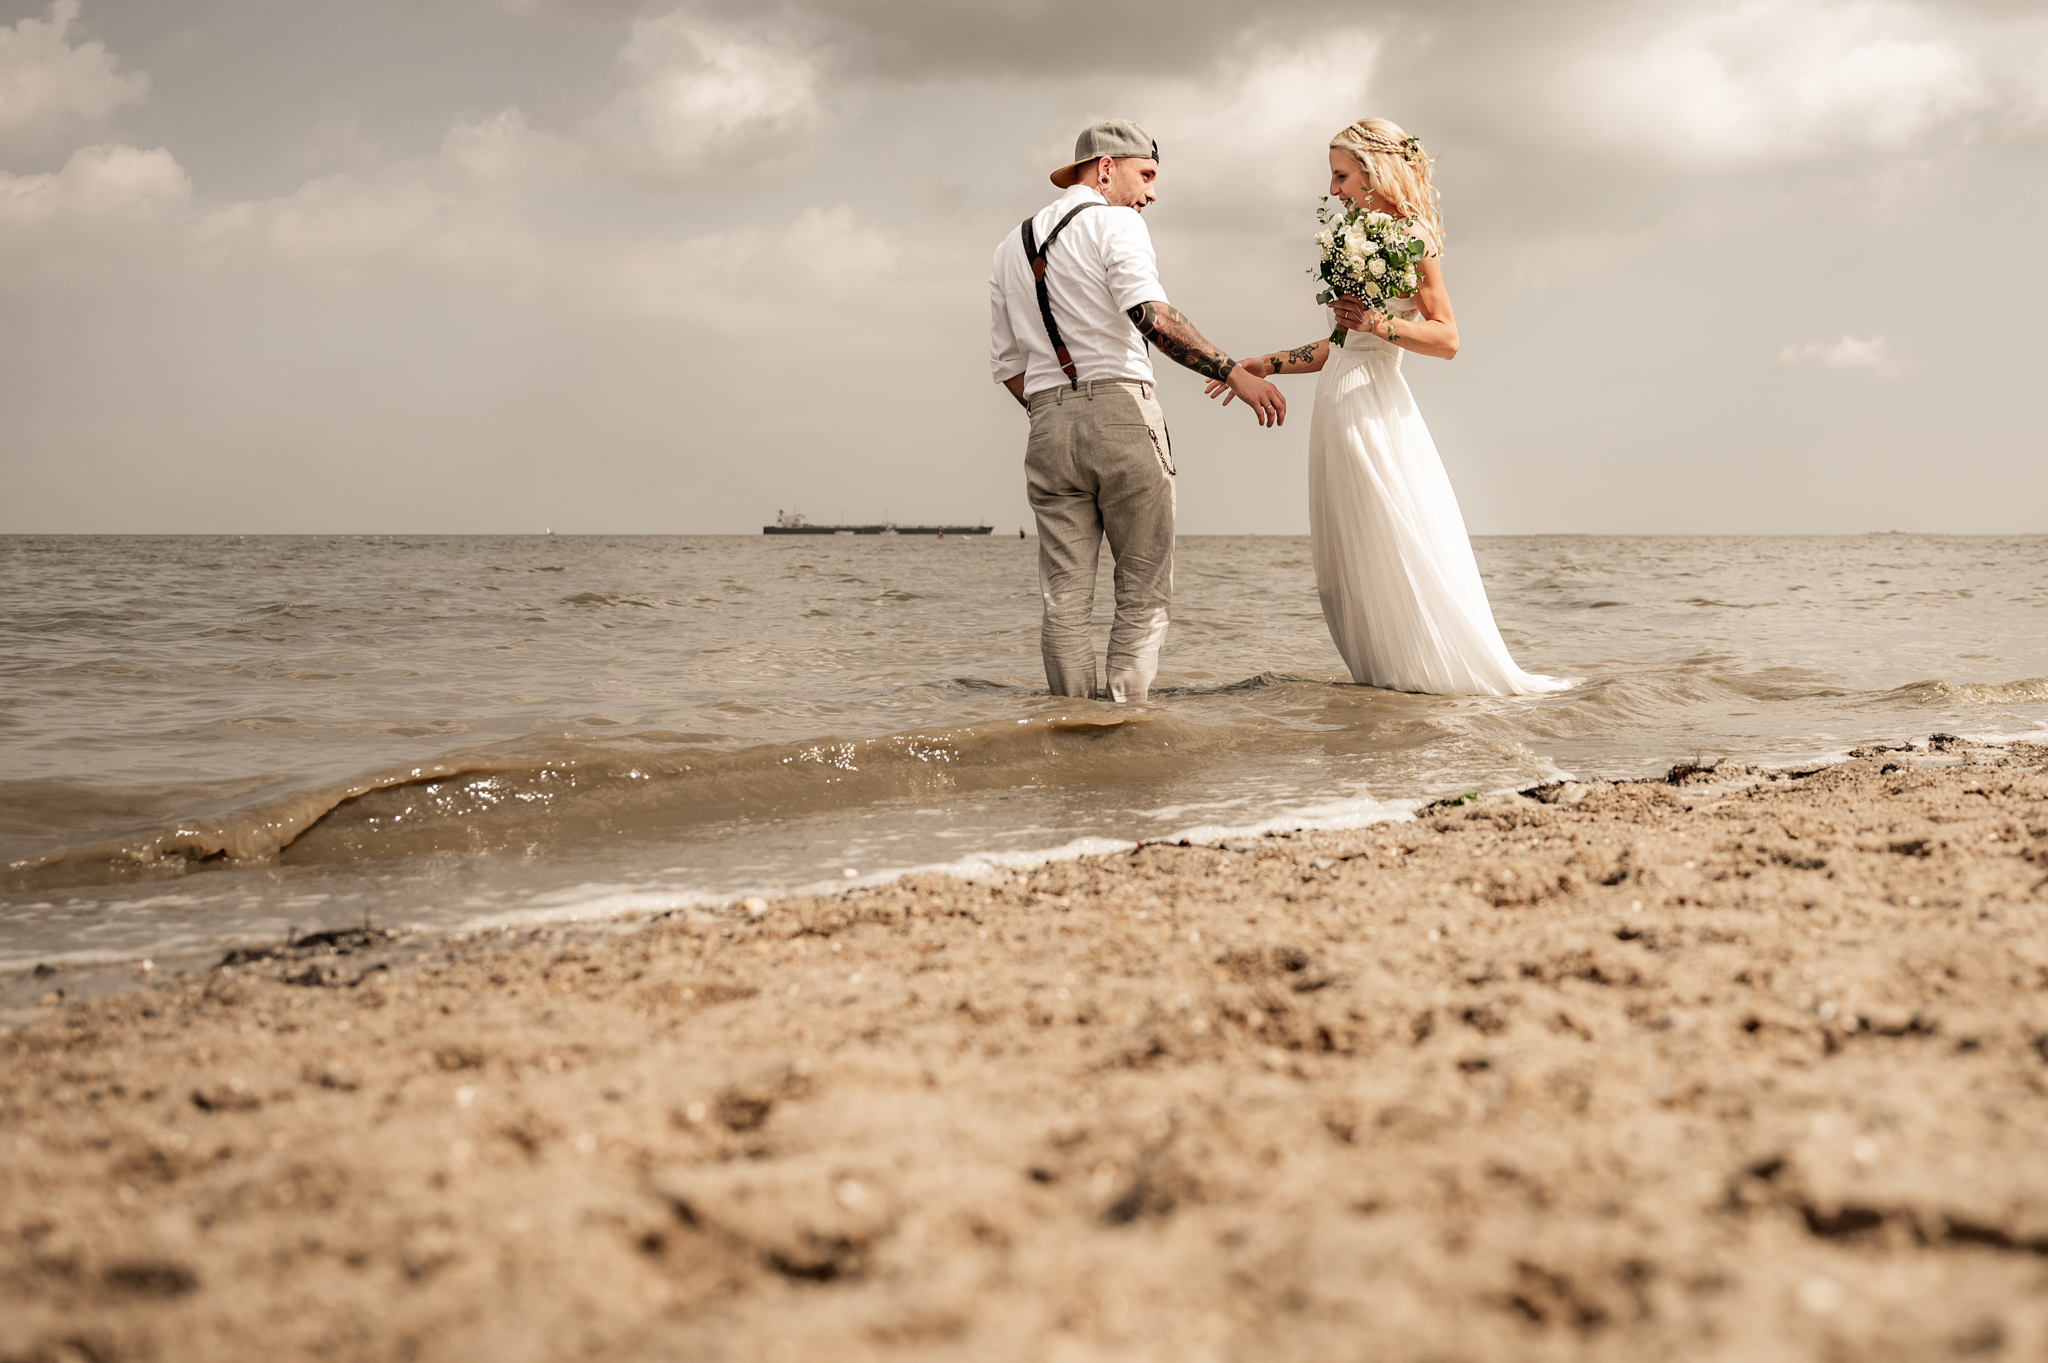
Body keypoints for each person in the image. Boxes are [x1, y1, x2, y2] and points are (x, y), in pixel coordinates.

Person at [1208, 118, 1567, 697]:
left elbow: (1447, 338)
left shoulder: (1411, 239)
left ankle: (1418, 677)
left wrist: (1379, 322)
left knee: (1386, 544)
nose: (1333, 190)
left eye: (1341, 175)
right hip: (1335, 403)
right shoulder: (1353, 238)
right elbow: (1339, 345)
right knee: (1348, 560)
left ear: (1374, 172)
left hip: (1372, 407)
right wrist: (1267, 363)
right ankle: (1382, 683)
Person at [990, 119, 1287, 703]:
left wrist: (1057, 409)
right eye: (1145, 175)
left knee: (1065, 599)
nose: (1150, 193)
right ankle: (1126, 726)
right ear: (1106, 168)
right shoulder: (1116, 222)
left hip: (1047, 423)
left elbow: (1008, 367)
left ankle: (1072, 730)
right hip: (1123, 414)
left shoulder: (1009, 246)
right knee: (1143, 591)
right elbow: (1150, 316)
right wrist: (1233, 371)